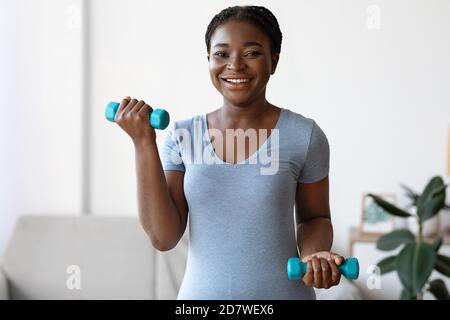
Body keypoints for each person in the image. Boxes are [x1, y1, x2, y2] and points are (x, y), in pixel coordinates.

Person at [115, 5, 344, 300]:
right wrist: (143, 142)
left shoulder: (305, 135)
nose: (235, 65)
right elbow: (163, 237)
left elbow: (315, 219)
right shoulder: (183, 136)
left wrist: (314, 256)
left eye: (251, 53)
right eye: (221, 54)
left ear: (273, 60)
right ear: (209, 60)